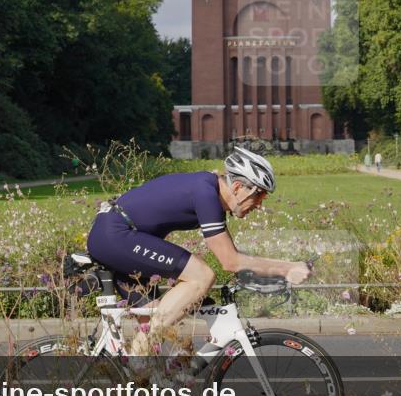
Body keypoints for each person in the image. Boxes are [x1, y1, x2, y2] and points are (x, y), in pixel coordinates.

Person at [86, 147, 311, 356]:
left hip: (116, 235)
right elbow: (230, 261)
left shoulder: (207, 188)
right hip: (117, 235)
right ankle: (138, 368)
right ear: (238, 187)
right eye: (259, 194)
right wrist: (287, 268)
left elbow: (233, 255)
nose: (260, 204)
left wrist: (264, 272)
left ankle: (134, 387)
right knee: (201, 276)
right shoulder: (206, 194)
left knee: (154, 321)